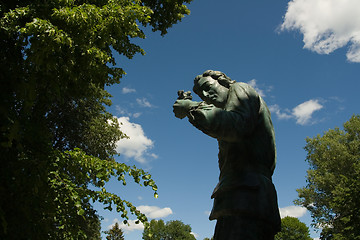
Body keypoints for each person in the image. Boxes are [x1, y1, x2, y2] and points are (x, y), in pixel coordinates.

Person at [173, 70, 281, 240]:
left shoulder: (240, 89)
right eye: (202, 95)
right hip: (241, 196)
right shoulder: (230, 112)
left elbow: (237, 126)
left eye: (208, 87)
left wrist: (191, 108)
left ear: (224, 82)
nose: (206, 95)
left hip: (246, 195)